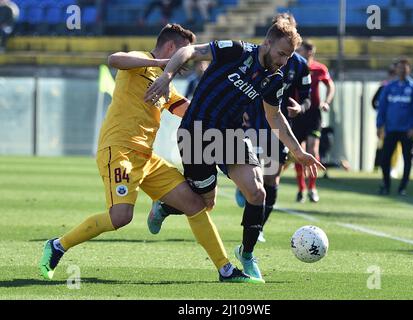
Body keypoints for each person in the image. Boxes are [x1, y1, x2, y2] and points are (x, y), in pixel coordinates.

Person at [39, 24, 257, 284]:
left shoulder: (166, 84)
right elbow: (114, 59)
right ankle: (58, 245)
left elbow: (188, 110)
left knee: (196, 204)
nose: (185, 63)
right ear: (172, 47)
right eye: (184, 54)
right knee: (121, 217)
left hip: (147, 158)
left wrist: (224, 111)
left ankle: (225, 269)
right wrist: (169, 64)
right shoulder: (142, 61)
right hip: (119, 150)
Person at [144, 18, 325, 282]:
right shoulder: (237, 50)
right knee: (204, 203)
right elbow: (190, 51)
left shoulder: (275, 79)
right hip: (196, 133)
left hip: (230, 135)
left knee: (257, 191)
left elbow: (275, 117)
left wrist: (297, 151)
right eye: (281, 53)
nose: (284, 61)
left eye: (289, 57)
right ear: (267, 43)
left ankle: (247, 253)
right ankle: (164, 206)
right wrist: (167, 75)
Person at [231, 14, 311, 243]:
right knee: (252, 170)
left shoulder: (300, 66)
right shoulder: (257, 56)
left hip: (279, 125)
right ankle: (245, 188)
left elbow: (307, 97)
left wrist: (301, 107)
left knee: (272, 178)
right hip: (253, 122)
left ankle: (258, 227)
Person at [293, 40, 335, 203]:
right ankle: (301, 188)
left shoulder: (319, 68)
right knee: (298, 152)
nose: (306, 53)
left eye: (309, 50)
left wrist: (327, 102)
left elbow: (330, 86)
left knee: (313, 149)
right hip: (297, 114)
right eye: (304, 50)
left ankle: (312, 187)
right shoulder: (295, 67)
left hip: (313, 115)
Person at [377, 57, 413, 196]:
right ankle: (386, 185)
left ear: (409, 69)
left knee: (407, 159)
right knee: (385, 159)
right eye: (399, 67)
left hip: (407, 131)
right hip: (391, 129)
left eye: (405, 68)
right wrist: (380, 126)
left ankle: (402, 187)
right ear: (396, 69)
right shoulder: (389, 87)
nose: (402, 70)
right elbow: (382, 108)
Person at [372, 64, 402, 173]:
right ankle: (377, 166)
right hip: (385, 123)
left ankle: (392, 168)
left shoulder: (401, 87)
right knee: (381, 144)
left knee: (396, 146)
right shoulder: (383, 87)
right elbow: (374, 102)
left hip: (397, 122)